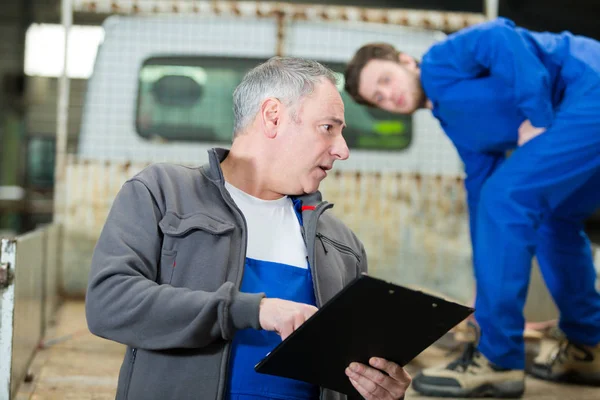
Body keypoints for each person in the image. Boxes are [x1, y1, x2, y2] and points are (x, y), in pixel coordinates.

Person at [85, 56, 411, 400]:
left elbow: (346, 374)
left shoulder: (342, 245)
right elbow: (109, 303)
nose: (342, 150)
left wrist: (379, 391)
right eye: (328, 128)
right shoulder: (163, 193)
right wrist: (254, 310)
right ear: (273, 116)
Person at [343, 17, 600, 398]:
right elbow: (483, 203)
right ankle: (588, 344)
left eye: (385, 80)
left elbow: (500, 37)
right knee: (550, 218)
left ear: (405, 61)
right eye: (379, 99)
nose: (389, 96)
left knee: (508, 197)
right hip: (578, 115)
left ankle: (497, 360)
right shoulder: (458, 125)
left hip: (588, 87)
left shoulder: (441, 60)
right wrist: (485, 288)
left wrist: (537, 115)